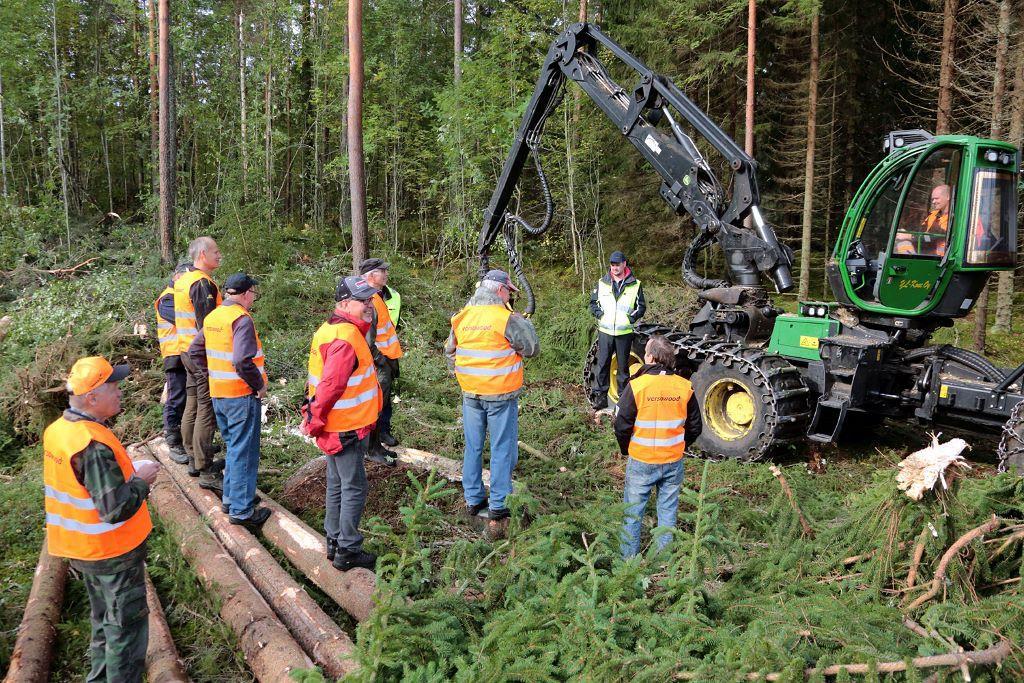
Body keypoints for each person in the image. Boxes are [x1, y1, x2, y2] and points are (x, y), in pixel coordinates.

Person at [43, 357, 160, 682]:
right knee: (125, 633)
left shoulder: (59, 431)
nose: (120, 392)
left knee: (104, 623)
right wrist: (141, 480)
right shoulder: (91, 445)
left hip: (84, 552)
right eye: (113, 387)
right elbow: (113, 508)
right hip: (112, 556)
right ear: (92, 398)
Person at [445, 270, 539, 538]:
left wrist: (465, 374)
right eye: (509, 291)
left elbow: (450, 352)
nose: (510, 296)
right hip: (500, 395)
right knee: (501, 448)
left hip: (471, 395)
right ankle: (498, 505)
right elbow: (531, 348)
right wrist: (522, 326)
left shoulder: (462, 317)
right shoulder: (506, 318)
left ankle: (473, 499)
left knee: (473, 447)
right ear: (499, 290)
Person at [302, 275, 383, 571]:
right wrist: (313, 418)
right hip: (345, 427)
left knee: (337, 484)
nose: (368, 306)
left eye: (370, 300)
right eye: (362, 301)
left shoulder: (330, 330)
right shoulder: (345, 338)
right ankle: (347, 549)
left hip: (338, 425)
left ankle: (334, 541)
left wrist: (314, 417)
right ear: (344, 303)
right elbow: (330, 386)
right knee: (354, 487)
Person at [190, 273, 270, 530]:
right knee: (243, 451)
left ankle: (231, 498)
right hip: (240, 395)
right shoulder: (241, 319)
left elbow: (194, 351)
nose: (253, 298)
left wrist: (211, 374)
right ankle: (241, 510)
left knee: (234, 447)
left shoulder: (213, 316)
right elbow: (241, 361)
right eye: (253, 294)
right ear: (246, 294)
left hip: (219, 395)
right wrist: (258, 385)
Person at [614, 335, 702, 558]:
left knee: (632, 514)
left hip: (642, 460)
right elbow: (695, 427)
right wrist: (679, 446)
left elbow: (621, 424)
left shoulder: (637, 385)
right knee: (668, 513)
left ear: (650, 357)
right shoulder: (685, 387)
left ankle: (628, 565)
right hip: (673, 461)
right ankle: (665, 565)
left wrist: (627, 448)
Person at [175, 236, 223, 489]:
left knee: (193, 401)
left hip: (186, 350)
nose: (220, 255)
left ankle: (193, 455)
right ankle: (204, 467)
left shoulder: (183, 280)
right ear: (202, 254)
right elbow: (210, 326)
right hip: (200, 354)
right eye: (216, 251)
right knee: (207, 407)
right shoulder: (202, 283)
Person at [589, 251, 646, 411]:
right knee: (602, 366)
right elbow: (593, 304)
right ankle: (599, 401)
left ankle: (622, 403)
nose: (614, 267)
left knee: (623, 368)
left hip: (624, 333)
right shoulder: (602, 283)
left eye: (617, 264)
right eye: (612, 265)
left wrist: (630, 319)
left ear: (624, 264)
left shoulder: (636, 284)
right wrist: (600, 315)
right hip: (605, 332)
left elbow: (641, 307)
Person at [360, 258, 402, 463]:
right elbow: (367, 338)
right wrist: (380, 360)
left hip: (386, 360)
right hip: (379, 363)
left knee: (381, 404)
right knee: (375, 407)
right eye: (381, 271)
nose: (386, 273)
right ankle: (372, 449)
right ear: (369, 276)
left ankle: (377, 446)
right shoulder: (367, 299)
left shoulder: (378, 296)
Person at [155, 261, 191, 464]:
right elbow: (185, 321)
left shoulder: (178, 297)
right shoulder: (168, 299)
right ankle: (173, 441)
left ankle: (187, 440)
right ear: (178, 276)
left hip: (185, 354)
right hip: (174, 355)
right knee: (176, 398)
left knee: (188, 398)